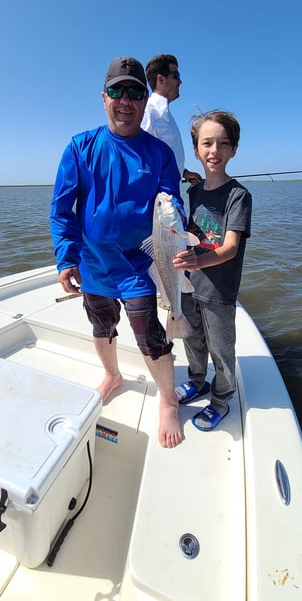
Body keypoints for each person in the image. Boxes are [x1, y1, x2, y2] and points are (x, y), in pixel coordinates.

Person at [50, 56, 183, 449]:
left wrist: (174, 210)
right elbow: (61, 209)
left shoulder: (159, 154)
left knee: (149, 337)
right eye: (117, 91)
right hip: (93, 265)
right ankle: (113, 375)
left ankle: (169, 399)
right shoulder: (80, 147)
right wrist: (66, 257)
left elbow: (173, 204)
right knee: (101, 326)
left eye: (135, 92)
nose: (126, 100)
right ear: (103, 98)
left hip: (142, 264)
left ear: (145, 100)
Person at [172, 110, 252, 430]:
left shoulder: (238, 196)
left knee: (221, 348)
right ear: (196, 150)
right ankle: (196, 379)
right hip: (189, 283)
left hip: (218, 289)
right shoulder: (191, 190)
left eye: (222, 144)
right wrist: (188, 173)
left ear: (233, 150)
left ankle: (221, 399)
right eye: (207, 143)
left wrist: (199, 260)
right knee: (191, 338)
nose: (214, 151)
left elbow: (230, 247)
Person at [141, 54, 202, 185]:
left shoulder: (163, 113)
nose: (180, 81)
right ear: (161, 80)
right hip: (156, 198)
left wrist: (184, 172)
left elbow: (161, 156)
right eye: (176, 76)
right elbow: (140, 162)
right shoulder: (149, 113)